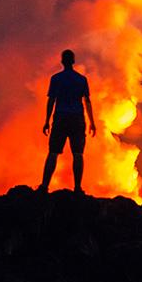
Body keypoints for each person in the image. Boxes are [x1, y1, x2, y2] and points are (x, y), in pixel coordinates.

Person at [38, 49, 96, 194]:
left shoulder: (56, 79)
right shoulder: (81, 80)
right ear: (73, 61)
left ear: (62, 61)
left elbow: (52, 100)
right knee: (78, 153)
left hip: (61, 117)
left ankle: (44, 186)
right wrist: (92, 122)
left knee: (53, 152)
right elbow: (87, 101)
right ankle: (77, 188)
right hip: (77, 118)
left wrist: (46, 120)